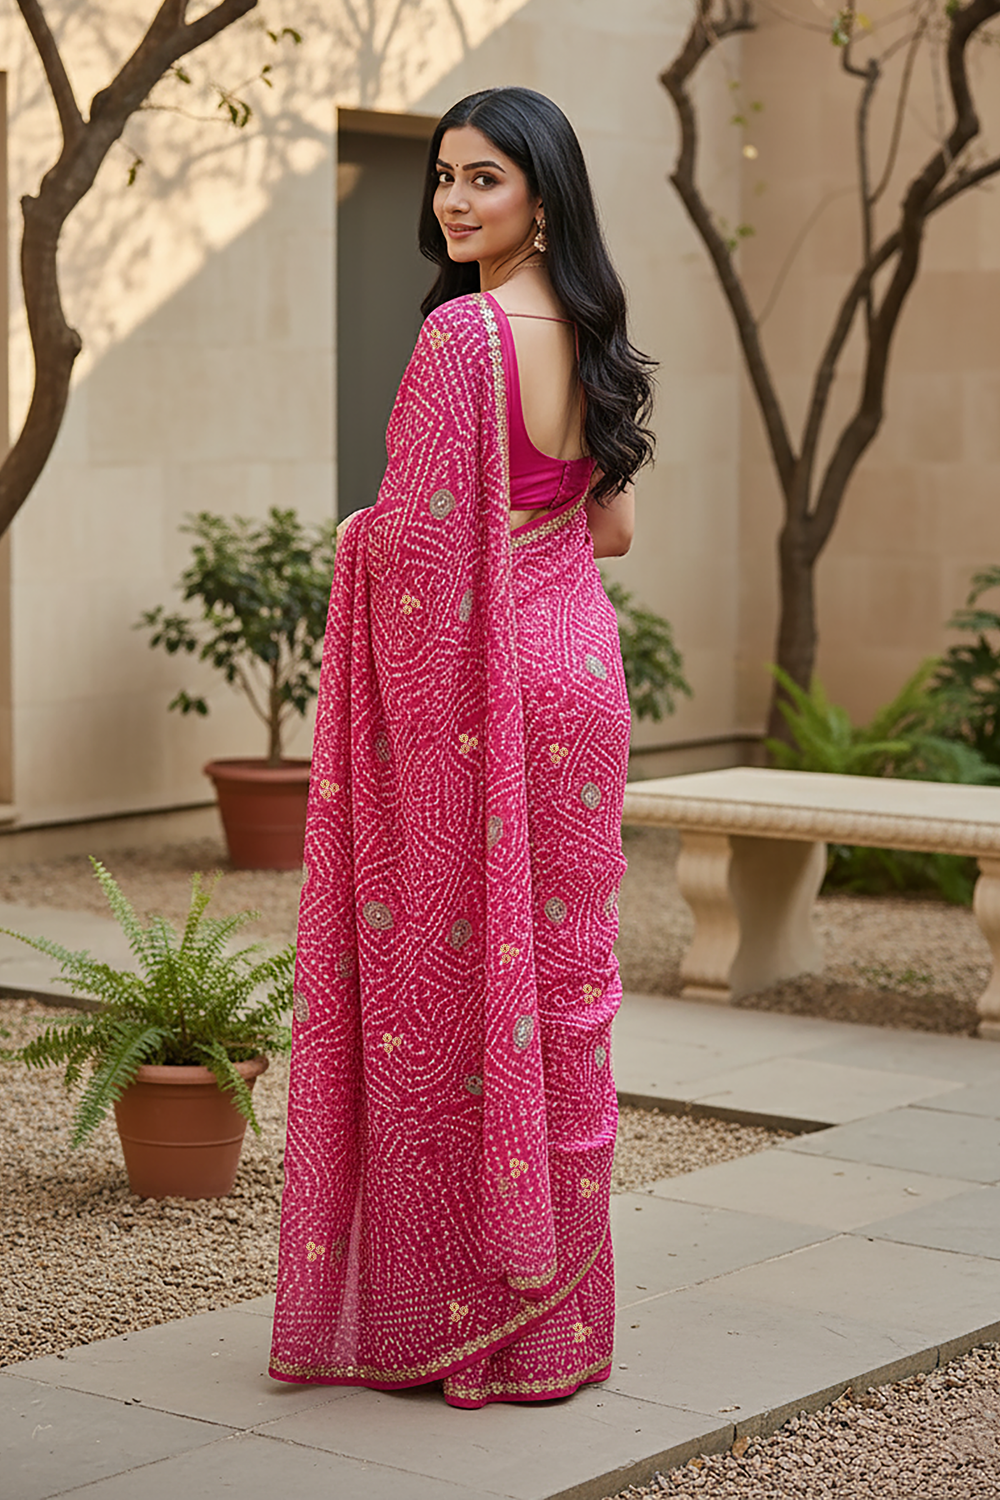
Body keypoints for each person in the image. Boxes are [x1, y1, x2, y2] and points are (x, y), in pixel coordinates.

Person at [269, 86, 655, 1409]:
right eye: (443, 177)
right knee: (560, 995)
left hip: (496, 698)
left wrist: (357, 539)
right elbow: (610, 538)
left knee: (452, 1001)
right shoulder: (593, 334)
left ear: (540, 194)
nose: (452, 201)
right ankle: (558, 1328)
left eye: (482, 179)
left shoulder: (463, 335)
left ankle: (465, 1324)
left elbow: (425, 554)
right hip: (583, 683)